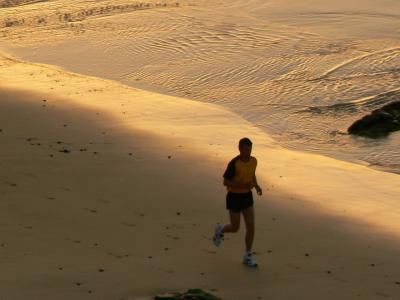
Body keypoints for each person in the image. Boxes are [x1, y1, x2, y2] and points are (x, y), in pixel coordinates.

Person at [213, 137, 262, 267]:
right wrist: (242, 185)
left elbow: (252, 174)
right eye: (245, 149)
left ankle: (248, 255)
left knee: (251, 225)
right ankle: (220, 230)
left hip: (247, 197)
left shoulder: (254, 161)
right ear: (239, 149)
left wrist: (256, 186)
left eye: (249, 149)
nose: (248, 152)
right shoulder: (234, 163)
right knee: (235, 228)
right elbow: (225, 182)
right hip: (234, 197)